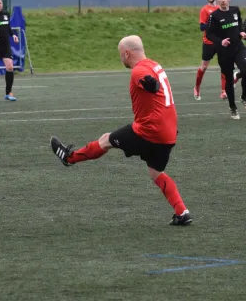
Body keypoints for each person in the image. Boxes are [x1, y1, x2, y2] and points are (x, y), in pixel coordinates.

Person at [50, 35, 192, 226]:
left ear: (127, 53)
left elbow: (148, 82)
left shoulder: (139, 71)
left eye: (120, 54)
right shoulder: (154, 65)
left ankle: (69, 157)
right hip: (168, 133)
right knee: (156, 173)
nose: (120, 58)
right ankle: (182, 212)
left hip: (149, 131)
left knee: (106, 140)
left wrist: (150, 84)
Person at [205, 0, 246, 119]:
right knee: (228, 81)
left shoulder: (235, 10)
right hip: (224, 52)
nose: (223, 1)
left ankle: (244, 97)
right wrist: (220, 42)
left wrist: (242, 31)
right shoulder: (213, 16)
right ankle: (232, 107)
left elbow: (239, 25)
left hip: (238, 47)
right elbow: (209, 34)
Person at [194, 0, 227, 100]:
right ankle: (197, 87)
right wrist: (213, 23)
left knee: (224, 66)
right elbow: (202, 27)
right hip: (208, 42)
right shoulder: (205, 10)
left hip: (221, 42)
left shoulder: (221, 8)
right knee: (204, 67)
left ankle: (223, 91)